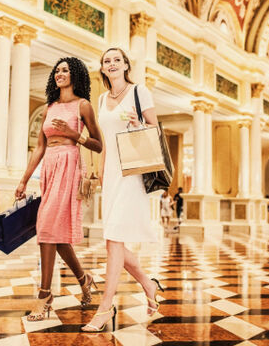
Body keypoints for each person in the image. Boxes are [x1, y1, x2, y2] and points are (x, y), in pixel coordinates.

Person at [82, 47, 163, 332]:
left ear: (126, 65)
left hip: (134, 172)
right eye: (107, 61)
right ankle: (148, 284)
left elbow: (155, 130)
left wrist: (139, 123)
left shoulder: (140, 92)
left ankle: (105, 308)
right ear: (102, 69)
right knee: (112, 239)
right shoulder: (102, 99)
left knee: (113, 239)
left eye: (117, 60)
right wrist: (102, 173)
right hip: (113, 174)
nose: (112, 64)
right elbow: (105, 141)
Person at [15, 57, 102, 322]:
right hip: (50, 167)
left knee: (46, 226)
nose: (59, 73)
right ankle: (84, 279)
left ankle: (44, 295)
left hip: (70, 164)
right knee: (56, 232)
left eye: (65, 70)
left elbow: (98, 144)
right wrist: (23, 179)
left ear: (75, 75)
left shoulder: (83, 106)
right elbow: (39, 148)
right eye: (57, 70)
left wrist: (75, 135)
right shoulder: (48, 108)